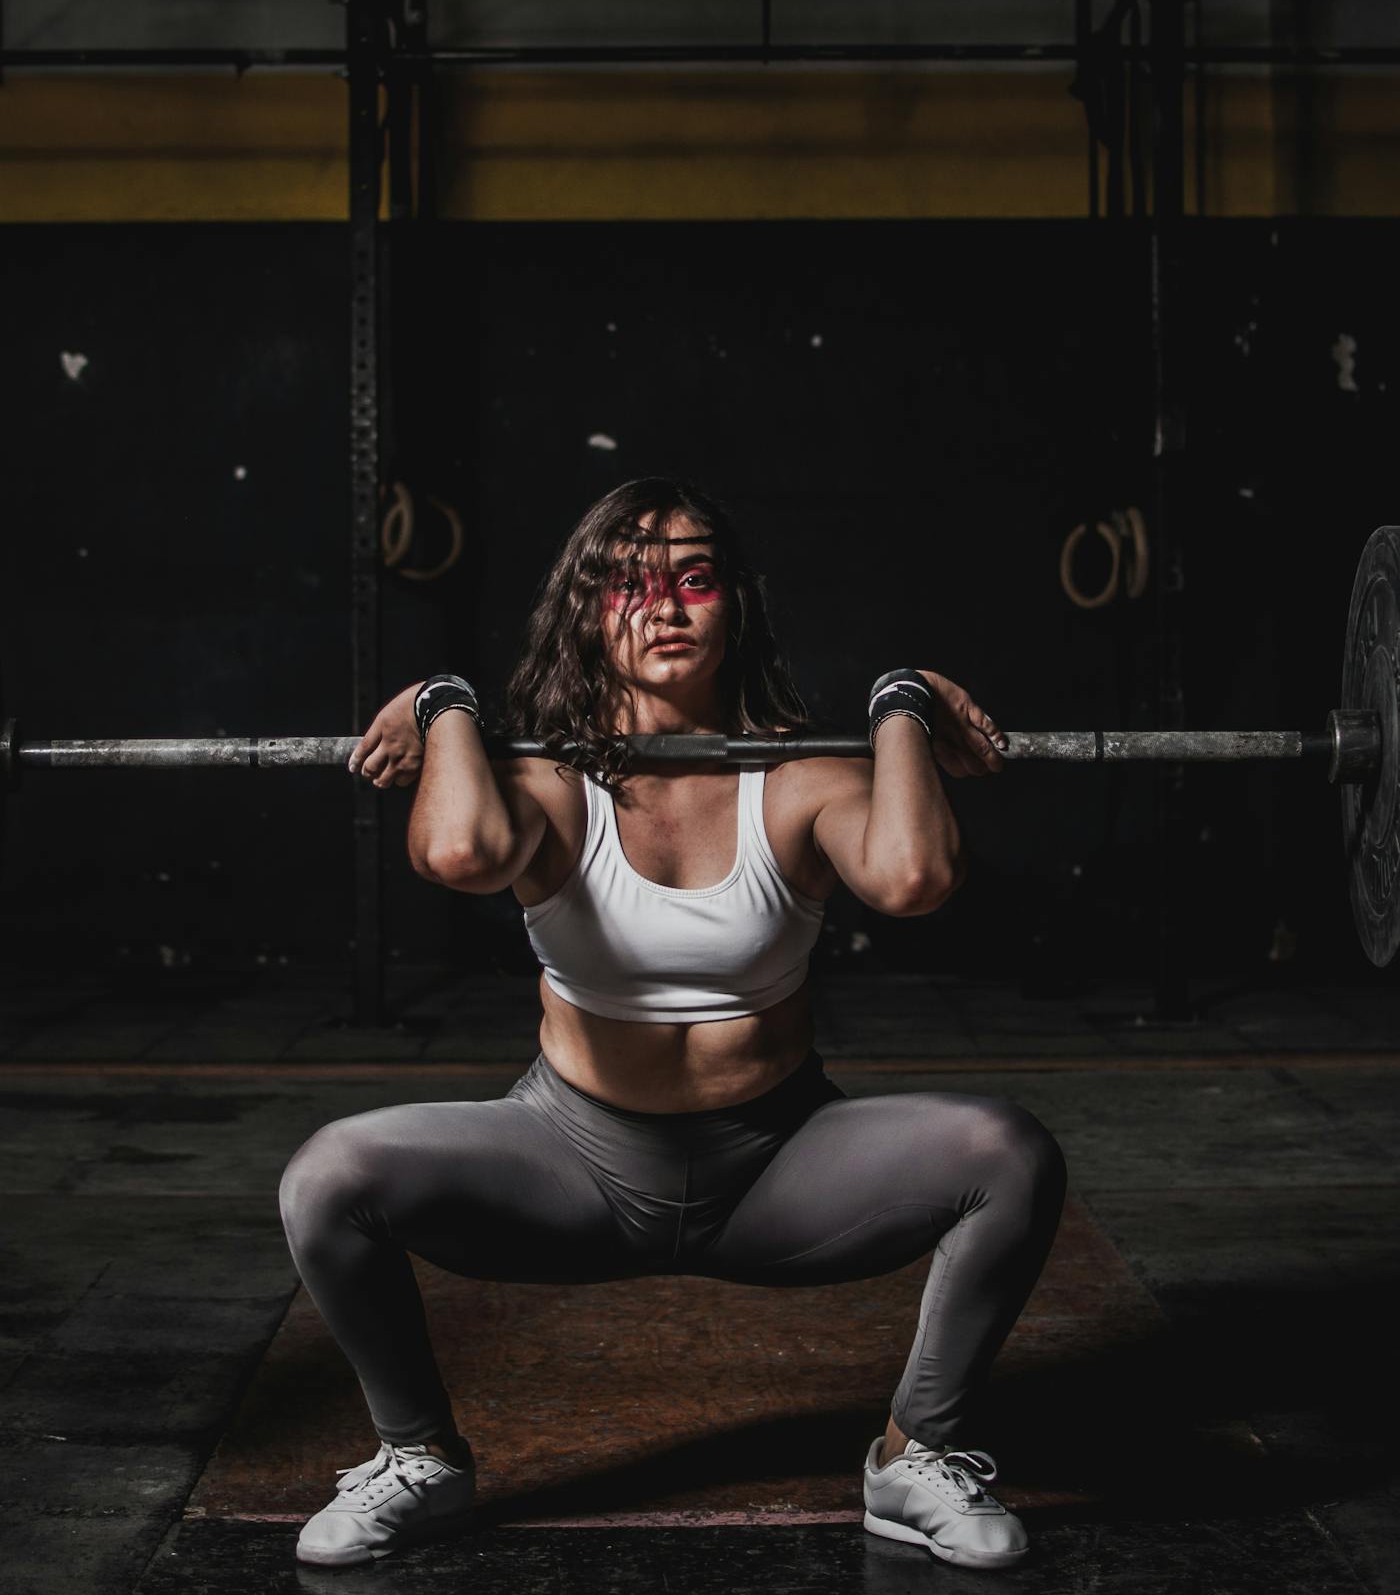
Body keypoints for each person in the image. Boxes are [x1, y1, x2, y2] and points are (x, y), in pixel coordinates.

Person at [279, 476, 1067, 1571]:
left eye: (693, 579)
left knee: (1007, 1153)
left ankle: (913, 1455)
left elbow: (914, 878)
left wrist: (900, 704)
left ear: (734, 602)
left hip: (778, 1167)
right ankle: (420, 1456)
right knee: (329, 1177)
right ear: (585, 609)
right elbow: (459, 853)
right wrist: (444, 704)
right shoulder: (550, 781)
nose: (662, 607)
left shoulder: (798, 777)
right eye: (626, 584)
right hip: (569, 1166)